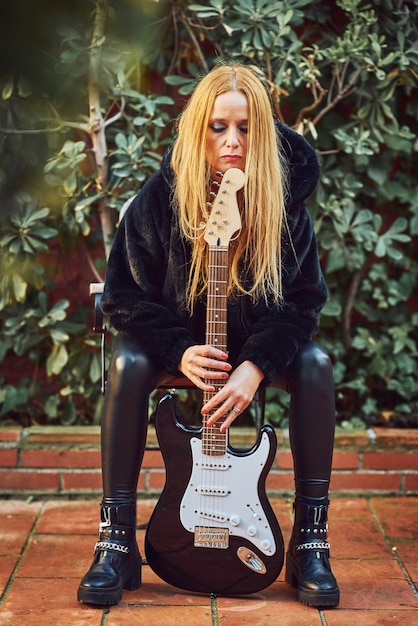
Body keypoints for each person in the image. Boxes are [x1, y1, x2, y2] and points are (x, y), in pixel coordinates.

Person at [77, 62, 340, 608]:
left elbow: (304, 301)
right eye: (219, 127)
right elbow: (123, 296)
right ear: (200, 129)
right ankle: (117, 538)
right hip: (182, 342)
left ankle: (311, 540)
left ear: (261, 131)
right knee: (126, 363)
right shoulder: (163, 195)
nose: (232, 142)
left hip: (252, 349)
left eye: (244, 127)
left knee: (315, 365)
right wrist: (178, 349)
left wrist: (258, 365)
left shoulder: (285, 202)